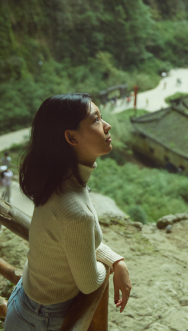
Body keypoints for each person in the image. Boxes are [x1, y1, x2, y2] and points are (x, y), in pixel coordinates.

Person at [4, 93, 132, 331]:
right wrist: (108, 268)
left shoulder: (56, 181)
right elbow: (89, 281)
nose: (107, 125)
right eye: (96, 120)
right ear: (71, 137)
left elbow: (74, 242)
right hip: (41, 321)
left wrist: (116, 260)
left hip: (26, 304)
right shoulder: (73, 209)